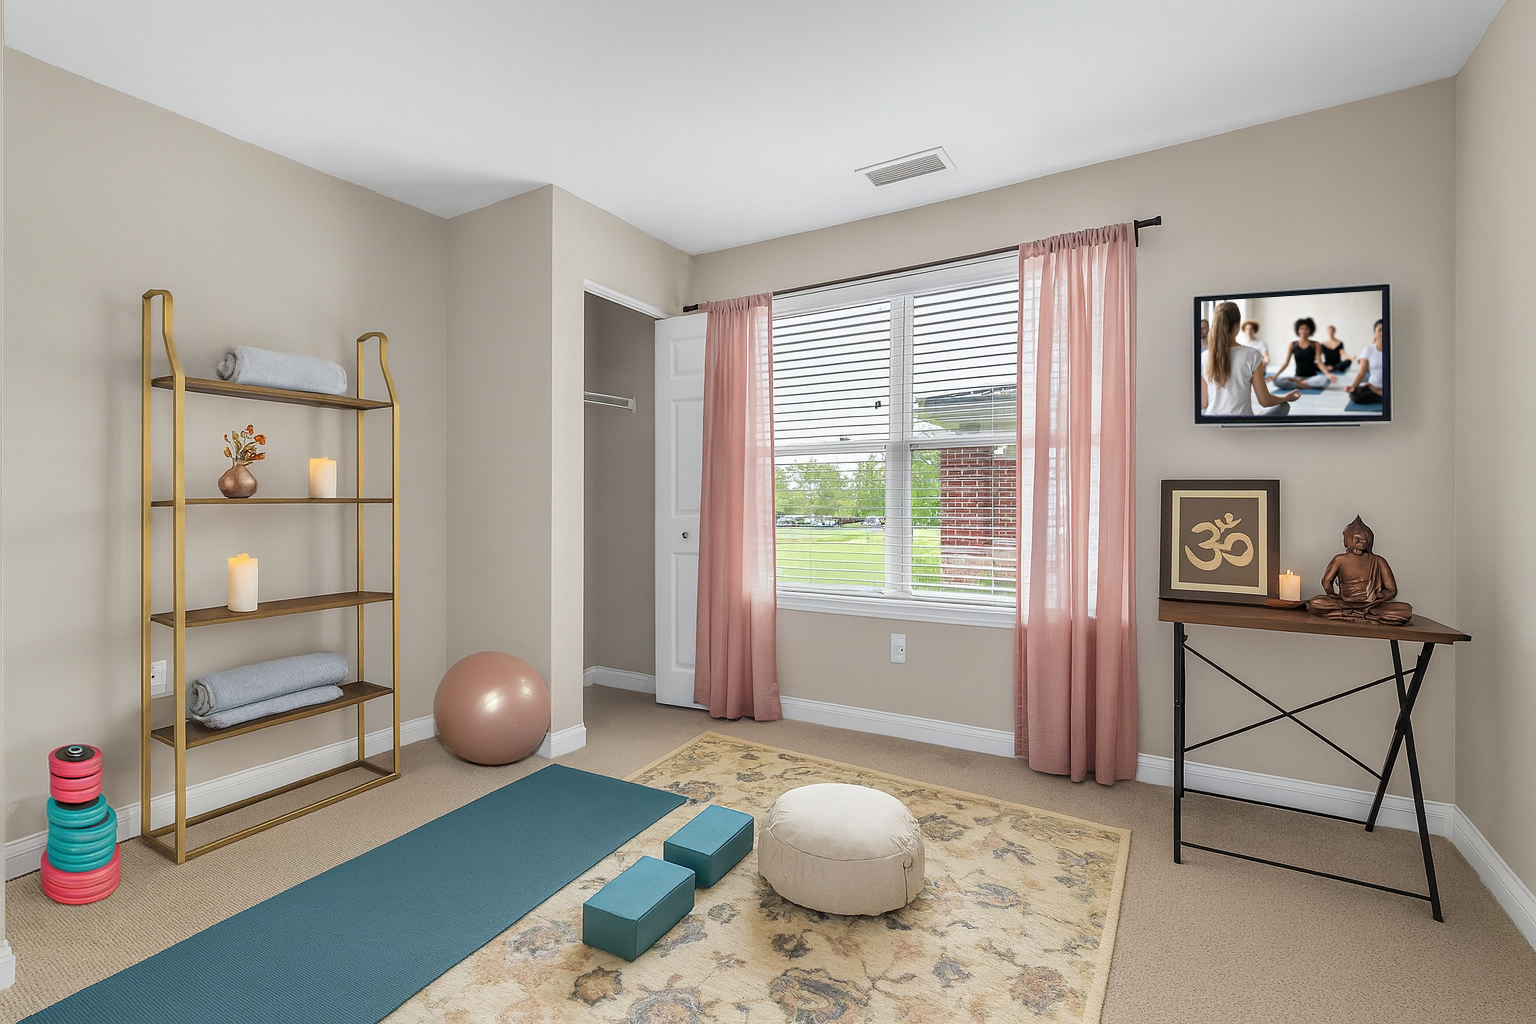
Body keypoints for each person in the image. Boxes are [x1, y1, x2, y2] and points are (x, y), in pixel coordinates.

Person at [1306, 516, 1412, 624]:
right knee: (1316, 603)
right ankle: (1363, 615)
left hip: (1372, 605)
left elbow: (1392, 589)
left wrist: (1379, 596)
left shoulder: (1378, 561)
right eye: (1357, 539)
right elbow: (1326, 581)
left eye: (1365, 540)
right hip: (1345, 603)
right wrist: (1334, 596)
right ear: (1348, 539)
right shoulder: (1340, 560)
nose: (1362, 543)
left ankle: (1356, 614)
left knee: (1405, 611)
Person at [1201, 301, 1300, 416]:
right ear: (1238, 324)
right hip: (1243, 424)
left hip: (1212, 423)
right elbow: (1265, 401)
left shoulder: (1204, 356)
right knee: (1283, 405)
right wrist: (1285, 397)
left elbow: (1202, 403)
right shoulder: (1252, 355)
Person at [1271, 317, 1336, 389]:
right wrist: (1275, 375)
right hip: (1297, 377)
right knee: (1276, 381)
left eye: (1306, 329)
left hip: (1312, 377)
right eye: (1301, 328)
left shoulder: (1315, 344)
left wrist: (1328, 374)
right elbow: (1286, 363)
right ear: (1298, 330)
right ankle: (1308, 385)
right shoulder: (1293, 344)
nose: (1304, 331)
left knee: (1326, 379)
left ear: (1310, 330)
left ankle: (1299, 384)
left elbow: (1320, 362)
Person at [1345, 319, 1386, 404]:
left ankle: (1380, 393)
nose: (1383, 333)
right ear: (1375, 332)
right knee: (1355, 395)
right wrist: (1353, 386)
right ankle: (1384, 395)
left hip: (1390, 387)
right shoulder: (1368, 350)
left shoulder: (1395, 349)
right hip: (1372, 386)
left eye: (1386, 329)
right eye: (1380, 330)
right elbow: (1361, 373)